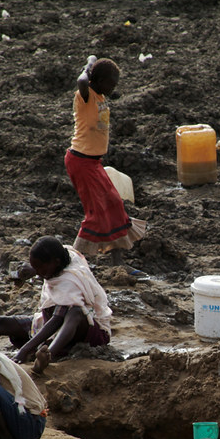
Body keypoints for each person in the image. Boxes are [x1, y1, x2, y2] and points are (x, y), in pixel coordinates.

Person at [0, 236, 112, 371]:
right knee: (3, 322)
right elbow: (53, 317)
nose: (38, 272)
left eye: (40, 267)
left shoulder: (69, 281)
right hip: (50, 321)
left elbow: (58, 319)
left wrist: (25, 349)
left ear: (56, 263)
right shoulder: (65, 255)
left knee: (75, 313)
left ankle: (47, 355)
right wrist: (33, 270)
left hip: (87, 333)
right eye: (35, 266)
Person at [65, 55, 145, 275]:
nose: (113, 88)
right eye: (110, 83)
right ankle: (69, 265)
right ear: (97, 80)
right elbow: (81, 80)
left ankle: (117, 265)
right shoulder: (86, 95)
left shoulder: (99, 96)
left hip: (94, 162)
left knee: (114, 204)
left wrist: (93, 64)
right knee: (96, 213)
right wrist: (88, 67)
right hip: (80, 162)